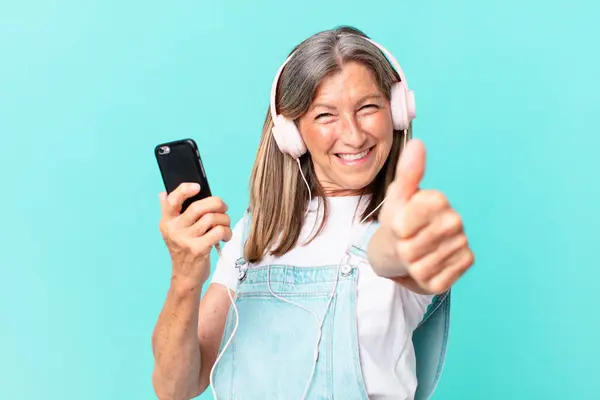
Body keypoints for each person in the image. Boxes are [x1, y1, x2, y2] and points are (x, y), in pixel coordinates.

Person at [151, 25, 474, 400]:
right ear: (292, 131)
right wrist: (185, 276)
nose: (353, 135)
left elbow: (395, 259)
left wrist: (404, 249)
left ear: (398, 111)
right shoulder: (255, 235)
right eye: (325, 115)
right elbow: (174, 388)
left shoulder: (403, 224)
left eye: (368, 107)